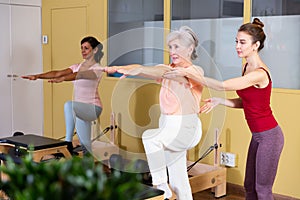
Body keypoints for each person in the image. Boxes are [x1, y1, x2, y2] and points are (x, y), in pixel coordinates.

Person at [164, 18, 284, 200]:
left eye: (242, 42)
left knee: (263, 189)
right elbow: (249, 103)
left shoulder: (259, 73)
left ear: (255, 45)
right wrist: (220, 101)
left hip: (270, 136)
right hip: (258, 136)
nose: (237, 46)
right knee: (249, 186)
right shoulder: (246, 67)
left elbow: (222, 85)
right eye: (236, 41)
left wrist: (190, 73)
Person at [106, 26, 203, 200]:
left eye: (177, 47)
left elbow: (169, 74)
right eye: (170, 47)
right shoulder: (166, 68)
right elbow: (150, 69)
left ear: (190, 49)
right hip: (167, 125)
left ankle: (160, 186)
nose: (172, 51)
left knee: (150, 137)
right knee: (178, 179)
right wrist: (120, 68)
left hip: (186, 128)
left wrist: (140, 71)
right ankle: (173, 190)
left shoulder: (195, 72)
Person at [22, 36, 105, 155]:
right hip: (79, 110)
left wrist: (62, 79)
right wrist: (37, 76)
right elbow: (57, 73)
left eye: (86, 48)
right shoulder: (77, 66)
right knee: (85, 145)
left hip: (93, 108)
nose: (83, 51)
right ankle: (89, 170)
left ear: (95, 50)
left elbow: (79, 75)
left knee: (69, 105)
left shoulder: (97, 68)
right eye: (81, 48)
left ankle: (67, 142)